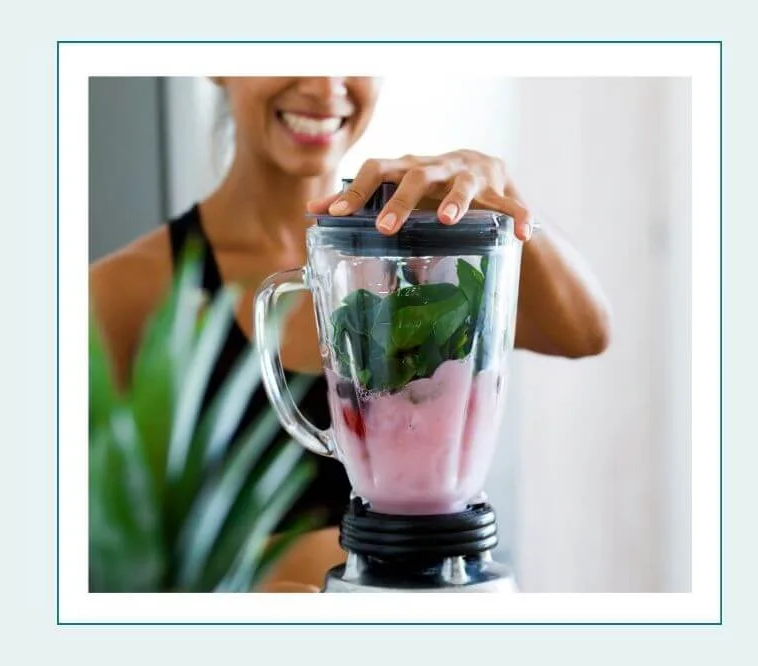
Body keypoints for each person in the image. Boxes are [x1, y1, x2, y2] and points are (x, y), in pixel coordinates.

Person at [89, 77, 611, 592]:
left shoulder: (427, 257)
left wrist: (506, 201)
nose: (324, 85)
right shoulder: (123, 293)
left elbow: (586, 331)